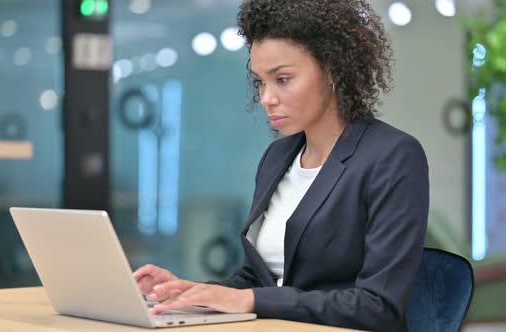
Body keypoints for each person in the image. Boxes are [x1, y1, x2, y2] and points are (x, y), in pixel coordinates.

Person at [133, 0, 429, 331]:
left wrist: (252, 301)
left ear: (333, 70)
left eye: (283, 79)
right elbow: (254, 279)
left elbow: (378, 307)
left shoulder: (393, 156)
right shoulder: (278, 157)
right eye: (260, 81)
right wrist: (192, 293)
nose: (266, 98)